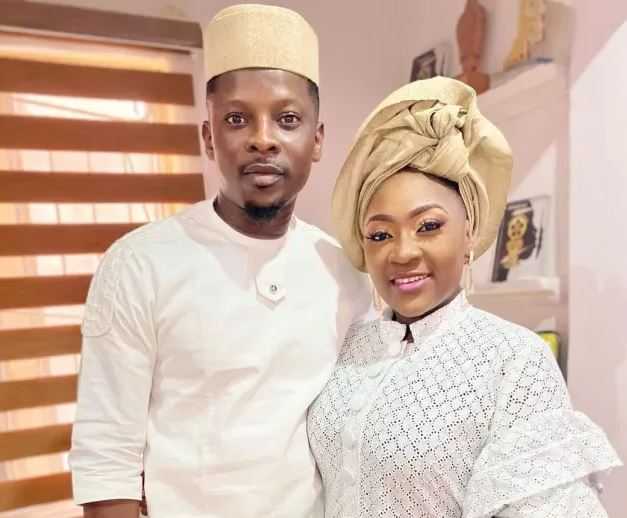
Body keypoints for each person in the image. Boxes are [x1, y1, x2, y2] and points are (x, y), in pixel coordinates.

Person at [69, 5, 371, 518]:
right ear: (209, 138)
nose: (262, 138)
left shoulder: (345, 271)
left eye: (288, 119)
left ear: (317, 140)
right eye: (236, 119)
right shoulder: (140, 264)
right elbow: (106, 456)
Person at [307, 76, 622, 517]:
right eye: (380, 234)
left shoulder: (513, 360)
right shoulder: (347, 345)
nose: (403, 252)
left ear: (469, 231)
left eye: (429, 226)